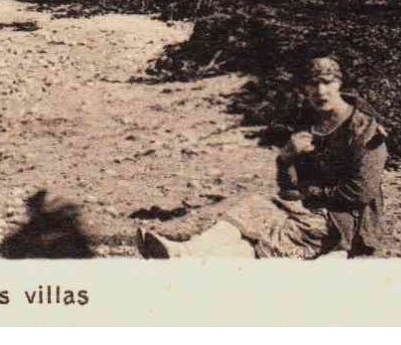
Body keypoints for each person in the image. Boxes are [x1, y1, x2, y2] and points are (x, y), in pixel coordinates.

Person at [137, 56, 387, 259]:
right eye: (312, 83)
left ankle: (186, 256)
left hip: (343, 222)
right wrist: (286, 157)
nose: (320, 91)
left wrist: (311, 194)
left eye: (327, 82)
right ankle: (185, 254)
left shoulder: (363, 128)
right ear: (304, 88)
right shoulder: (308, 124)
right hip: (309, 212)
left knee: (259, 232)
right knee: (251, 220)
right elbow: (289, 191)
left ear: (339, 84)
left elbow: (361, 192)